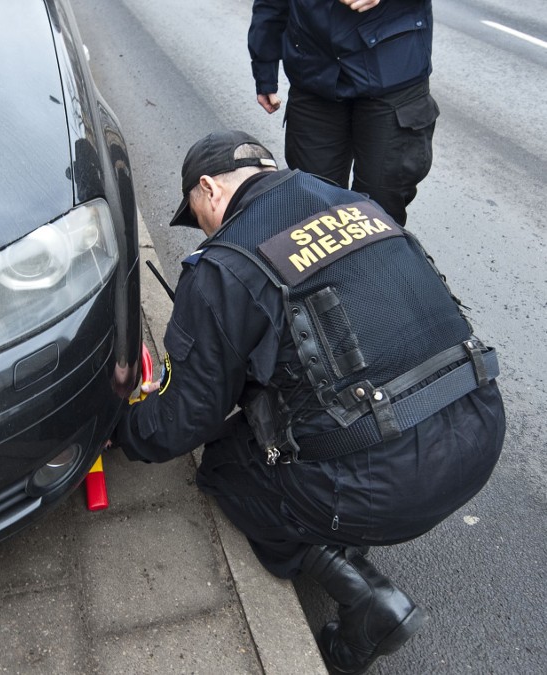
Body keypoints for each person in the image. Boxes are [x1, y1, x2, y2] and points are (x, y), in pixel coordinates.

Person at [111, 130, 505, 674]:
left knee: (226, 466)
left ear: (208, 188)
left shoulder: (225, 262)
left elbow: (184, 420)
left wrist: (121, 427)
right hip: (480, 428)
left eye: (195, 212)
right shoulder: (360, 206)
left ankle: (365, 600)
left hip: (387, 488)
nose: (201, 226)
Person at [248, 0, 439, 225]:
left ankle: (375, 259)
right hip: (314, 71)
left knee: (380, 213)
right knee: (313, 209)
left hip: (393, 71)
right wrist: (264, 68)